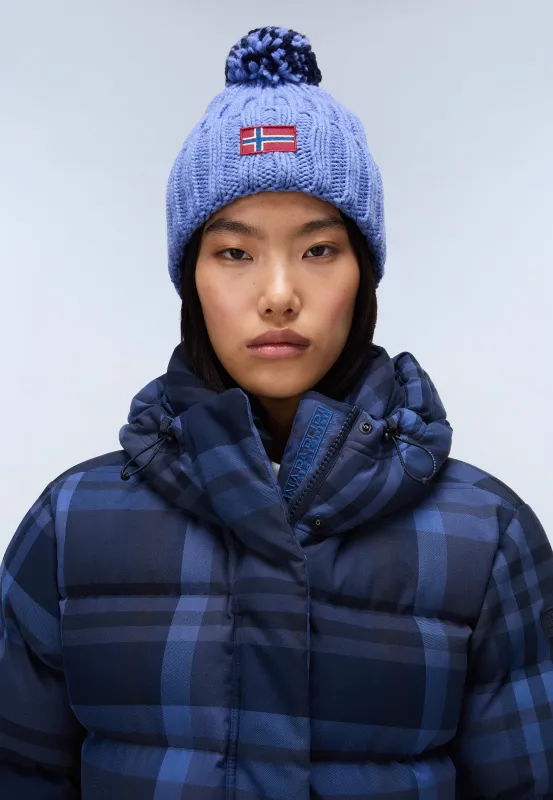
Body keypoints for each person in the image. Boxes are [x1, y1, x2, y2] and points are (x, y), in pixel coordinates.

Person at [1, 25, 552, 800]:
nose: (279, 293)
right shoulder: (72, 526)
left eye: (319, 249)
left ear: (363, 273)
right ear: (191, 277)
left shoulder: (484, 535)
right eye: (234, 252)